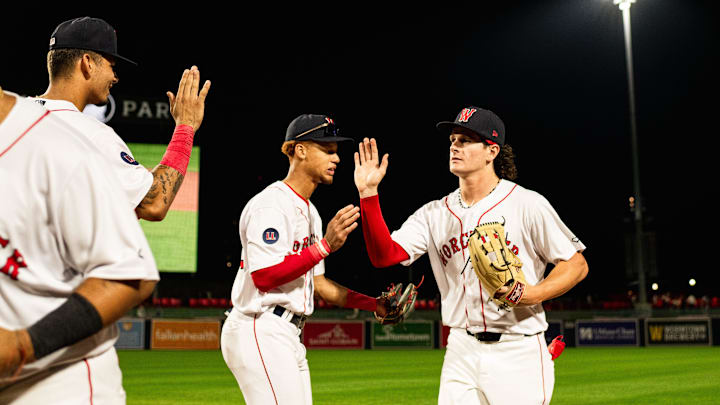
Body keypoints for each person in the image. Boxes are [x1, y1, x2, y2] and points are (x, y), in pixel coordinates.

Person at [353, 106, 589, 405]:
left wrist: (532, 294)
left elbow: (576, 264)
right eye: (453, 140)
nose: (455, 146)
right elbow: (384, 256)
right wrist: (368, 194)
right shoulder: (434, 213)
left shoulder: (526, 204)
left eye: (465, 140)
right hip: (461, 349)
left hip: (518, 349)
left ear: (491, 151)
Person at [0, 88, 159, 403]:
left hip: (52, 382)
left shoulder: (63, 144)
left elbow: (129, 273)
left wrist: (22, 344)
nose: (116, 77)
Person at [221, 114, 389, 405]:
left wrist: (374, 304)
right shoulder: (272, 204)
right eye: (327, 149)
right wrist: (324, 246)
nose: (336, 158)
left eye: (336, 151)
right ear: (300, 150)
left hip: (287, 334)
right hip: (259, 327)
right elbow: (264, 277)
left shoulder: (310, 212)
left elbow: (320, 285)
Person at [32, 17, 210, 220]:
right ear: (87, 63)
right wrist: (185, 126)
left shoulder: (12, 114)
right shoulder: (91, 136)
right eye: (112, 66)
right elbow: (154, 203)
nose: (115, 77)